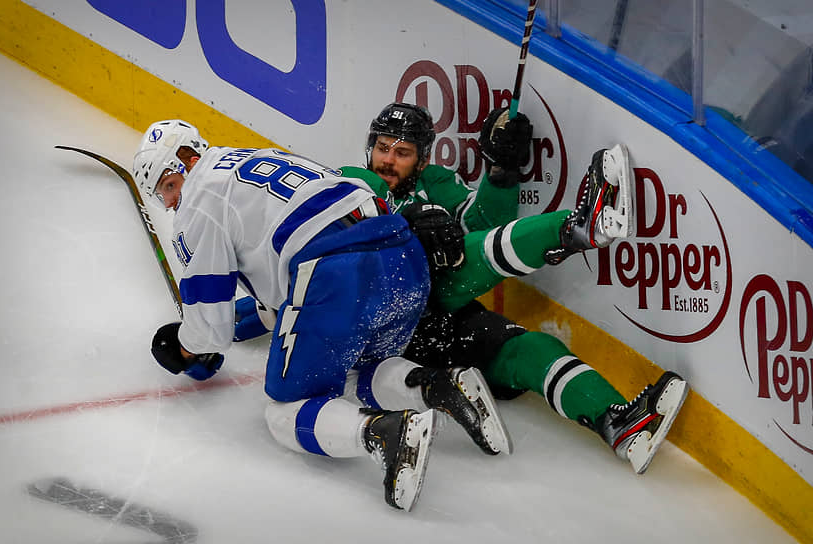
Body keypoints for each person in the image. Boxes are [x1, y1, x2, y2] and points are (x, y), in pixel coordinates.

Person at [235, 103, 688, 475]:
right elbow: (308, 284)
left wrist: (501, 172)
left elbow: (485, 225)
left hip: (434, 319)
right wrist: (241, 319)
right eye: (382, 147)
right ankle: (578, 228)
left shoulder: (438, 185)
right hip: (388, 323)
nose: (388, 159)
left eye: (403, 151)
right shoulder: (352, 180)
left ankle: (621, 425)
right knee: (457, 257)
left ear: (424, 159)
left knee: (528, 350)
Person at [131, 119, 512, 512]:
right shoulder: (255, 158)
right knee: (348, 371)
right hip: (403, 257)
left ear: (186, 162)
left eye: (168, 186)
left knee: (286, 409)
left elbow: (210, 330)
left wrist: (184, 348)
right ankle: (440, 385)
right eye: (164, 196)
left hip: (337, 271)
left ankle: (383, 432)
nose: (172, 202)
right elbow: (279, 292)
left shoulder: (199, 200)